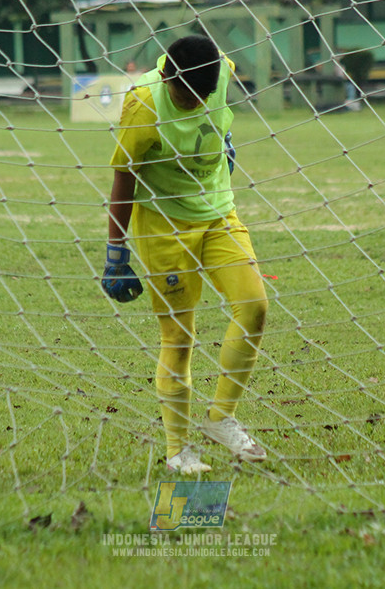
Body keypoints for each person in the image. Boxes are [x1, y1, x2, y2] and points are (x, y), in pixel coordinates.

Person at [102, 35, 268, 475]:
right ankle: (178, 451)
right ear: (168, 78)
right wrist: (115, 252)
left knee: (254, 307)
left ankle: (221, 418)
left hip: (218, 216)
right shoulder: (144, 105)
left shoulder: (222, 72)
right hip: (165, 226)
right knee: (179, 339)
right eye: (186, 94)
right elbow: (124, 177)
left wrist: (225, 137)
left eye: (204, 94)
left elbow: (219, 107)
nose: (196, 101)